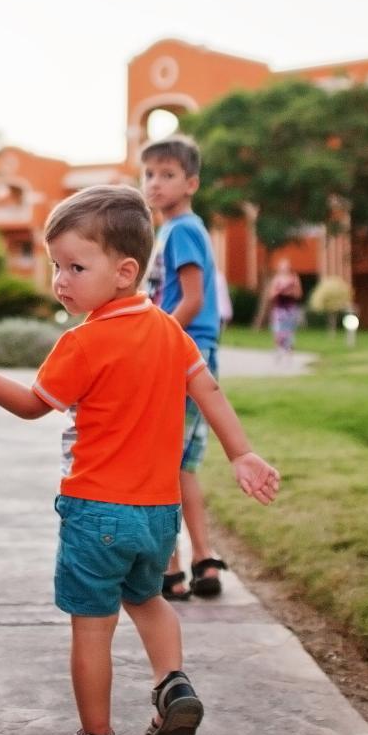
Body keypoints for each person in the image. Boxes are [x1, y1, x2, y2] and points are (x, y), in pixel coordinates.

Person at [0, 185, 279, 735]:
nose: (61, 280)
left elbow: (29, 405)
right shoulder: (169, 333)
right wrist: (242, 452)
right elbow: (209, 393)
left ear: (125, 271)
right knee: (149, 601)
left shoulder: (84, 341)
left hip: (95, 510)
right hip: (157, 516)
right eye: (55, 266)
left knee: (91, 629)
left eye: (76, 266)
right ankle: (172, 682)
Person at [139, 135, 226, 601]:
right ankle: (201, 562)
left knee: (163, 464)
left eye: (167, 175)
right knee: (180, 467)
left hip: (184, 357)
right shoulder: (172, 230)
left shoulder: (183, 230)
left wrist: (153, 340)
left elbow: (192, 300)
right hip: (188, 354)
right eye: (149, 174)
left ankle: (174, 570)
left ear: (191, 183)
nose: (155, 183)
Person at [263, 259, 304, 363]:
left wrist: (290, 292)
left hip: (290, 308)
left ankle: (289, 353)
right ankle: (278, 351)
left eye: (286, 267)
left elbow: (299, 294)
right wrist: (279, 291)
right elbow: (271, 294)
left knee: (289, 331)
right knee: (278, 331)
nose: (284, 269)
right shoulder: (276, 279)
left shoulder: (294, 279)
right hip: (279, 308)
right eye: (282, 267)